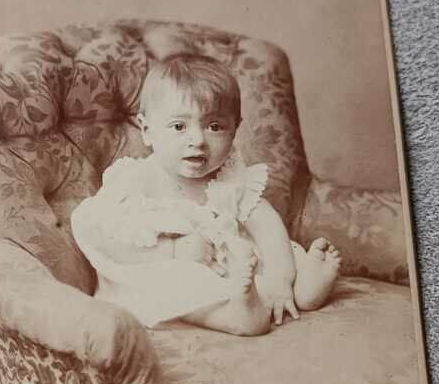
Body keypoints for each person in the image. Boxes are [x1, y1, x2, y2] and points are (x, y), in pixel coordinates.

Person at [71, 54, 341, 335]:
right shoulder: (135, 182)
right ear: (147, 130)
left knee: (281, 250)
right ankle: (235, 316)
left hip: (237, 266)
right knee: (179, 286)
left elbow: (267, 225)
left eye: (214, 127)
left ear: (235, 130)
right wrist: (173, 250)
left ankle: (300, 288)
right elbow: (104, 236)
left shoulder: (232, 177)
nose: (198, 140)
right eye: (179, 126)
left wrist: (280, 278)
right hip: (174, 268)